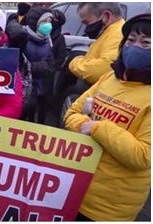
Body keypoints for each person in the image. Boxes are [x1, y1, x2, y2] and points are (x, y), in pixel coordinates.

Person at [64, 13, 150, 221]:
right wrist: (85, 123)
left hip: (108, 208)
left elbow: (143, 155)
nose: (135, 46)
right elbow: (71, 114)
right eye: (131, 40)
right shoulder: (110, 77)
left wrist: (97, 128)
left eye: (146, 43)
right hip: (76, 192)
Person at [69, 3, 125, 89]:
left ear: (106, 16)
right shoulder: (108, 32)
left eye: (87, 22)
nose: (86, 28)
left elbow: (100, 71)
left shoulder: (117, 35)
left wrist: (75, 63)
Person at [21, 7, 55, 124]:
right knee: (24, 115)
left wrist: (48, 67)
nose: (48, 25)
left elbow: (51, 62)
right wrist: (35, 67)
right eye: (44, 22)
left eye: (49, 22)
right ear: (34, 22)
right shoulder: (23, 38)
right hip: (26, 87)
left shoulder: (47, 40)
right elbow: (19, 63)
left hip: (42, 85)